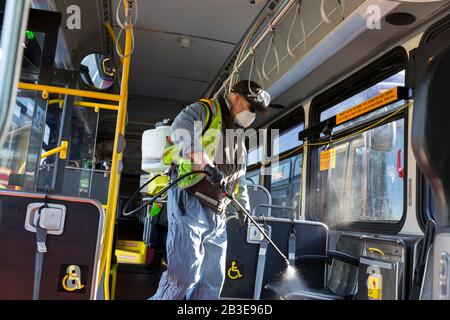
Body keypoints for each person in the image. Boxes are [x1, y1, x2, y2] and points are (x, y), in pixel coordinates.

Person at [149, 80, 270, 300]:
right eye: (251, 108)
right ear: (236, 98)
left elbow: (238, 178)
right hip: (191, 200)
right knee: (184, 277)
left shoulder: (237, 135)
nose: (252, 115)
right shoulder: (205, 110)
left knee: (212, 280)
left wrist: (245, 210)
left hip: (218, 213)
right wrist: (205, 163)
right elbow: (180, 132)